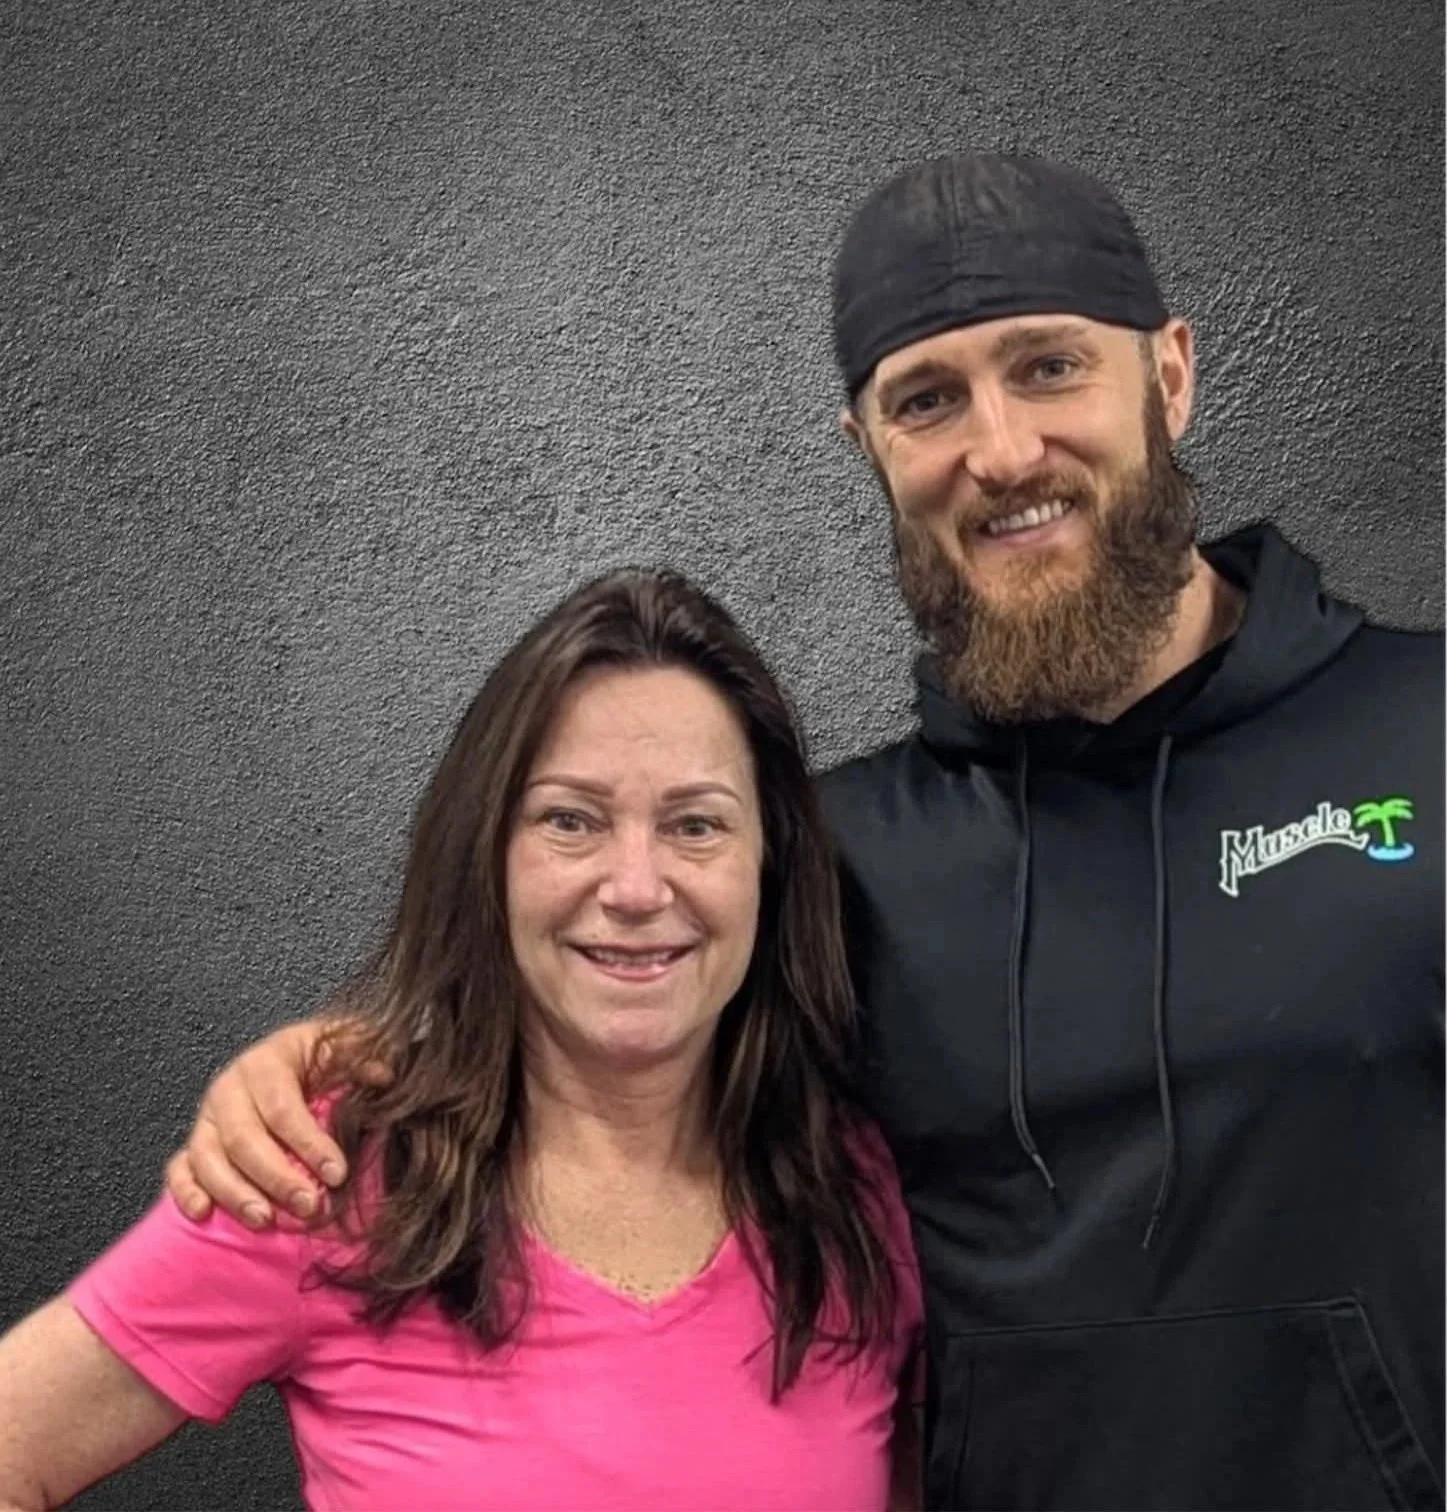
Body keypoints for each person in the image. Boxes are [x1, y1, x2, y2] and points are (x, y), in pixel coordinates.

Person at [155, 153, 1443, 1512]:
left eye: (1048, 367)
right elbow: (577, 1053)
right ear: (868, 450)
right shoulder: (825, 858)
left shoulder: (1419, 731)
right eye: (926, 399)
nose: (998, 450)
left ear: (1167, 377)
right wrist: (339, 1060)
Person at [0, 572, 924, 1512]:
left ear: (769, 865)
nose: (635, 885)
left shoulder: (855, 1195)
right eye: (570, 820)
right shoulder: (321, 1174)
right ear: (486, 854)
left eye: (695, 825)